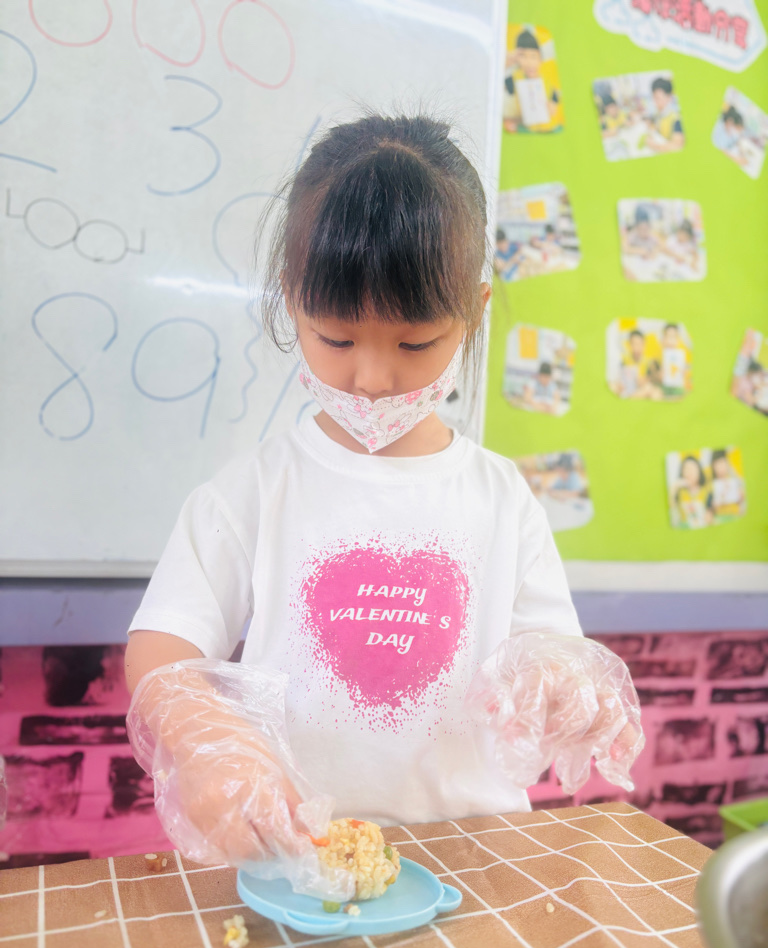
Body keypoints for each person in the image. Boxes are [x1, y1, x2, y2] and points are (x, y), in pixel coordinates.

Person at [124, 113, 637, 867]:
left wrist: (561, 685)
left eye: (414, 343)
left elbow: (549, 649)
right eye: (336, 338)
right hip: (301, 856)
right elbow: (165, 641)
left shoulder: (502, 499)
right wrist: (207, 739)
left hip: (477, 854)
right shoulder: (256, 490)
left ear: (474, 314)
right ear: (292, 302)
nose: (370, 377)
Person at [503, 28, 562, 134]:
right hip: (524, 130)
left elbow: (555, 103)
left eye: (533, 56)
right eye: (523, 56)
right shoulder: (512, 79)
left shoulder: (547, 82)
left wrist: (552, 108)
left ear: (540, 58)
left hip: (548, 129)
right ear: (517, 58)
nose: (529, 62)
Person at [671, 455, 712, 529]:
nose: (689, 472)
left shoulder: (707, 492)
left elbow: (711, 514)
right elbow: (671, 510)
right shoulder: (679, 492)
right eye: (686, 469)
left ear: (699, 471)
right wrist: (674, 487)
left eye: (693, 469)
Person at [645, 78, 684, 153]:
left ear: (669, 97)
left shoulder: (676, 119)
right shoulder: (658, 114)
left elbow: (677, 146)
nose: (654, 102)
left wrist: (655, 146)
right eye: (653, 97)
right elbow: (655, 128)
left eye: (657, 98)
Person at [710, 449, 745, 521]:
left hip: (735, 517)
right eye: (717, 464)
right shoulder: (711, 485)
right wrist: (712, 506)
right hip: (719, 519)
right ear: (713, 466)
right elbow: (711, 508)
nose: (720, 467)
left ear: (727, 463)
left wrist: (741, 497)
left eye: (722, 462)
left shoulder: (735, 480)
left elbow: (741, 503)